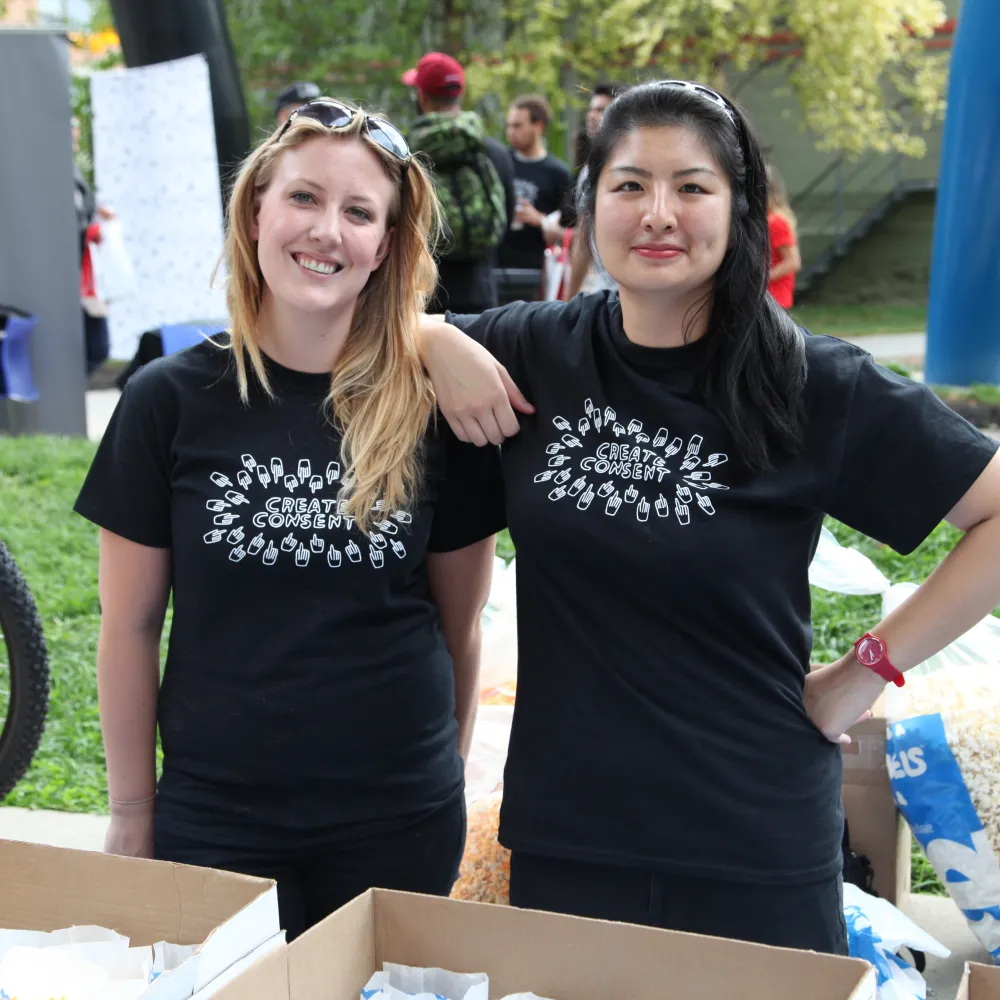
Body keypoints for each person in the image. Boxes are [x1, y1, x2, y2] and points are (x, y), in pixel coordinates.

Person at [416, 80, 1000, 954]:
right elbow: (321, 314)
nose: (659, 213)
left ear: (739, 211)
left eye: (692, 187)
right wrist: (426, 337)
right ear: (589, 206)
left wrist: (867, 669)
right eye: (629, 185)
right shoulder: (529, 352)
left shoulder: (813, 382)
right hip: (571, 836)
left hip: (754, 843)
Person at [74, 98, 506, 940]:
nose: (327, 231)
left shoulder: (433, 405)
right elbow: (127, 626)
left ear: (385, 245)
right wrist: (132, 809)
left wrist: (442, 781)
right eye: (304, 198)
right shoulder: (168, 400)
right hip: (217, 814)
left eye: (358, 212)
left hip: (398, 817)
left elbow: (461, 629)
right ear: (257, 211)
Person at [403, 52, 515, 313]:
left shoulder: (405, 154)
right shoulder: (493, 153)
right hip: (482, 295)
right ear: (459, 95)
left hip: (422, 295)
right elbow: (505, 219)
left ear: (421, 97)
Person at [499, 94, 573, 281]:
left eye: (517, 125)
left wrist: (540, 220)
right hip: (496, 267)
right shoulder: (500, 162)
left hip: (538, 271)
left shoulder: (558, 173)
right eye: (509, 125)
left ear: (538, 126)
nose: (511, 131)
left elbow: (571, 232)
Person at [564, 83, 627, 300]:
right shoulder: (591, 169)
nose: (593, 116)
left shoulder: (640, 166)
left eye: (601, 110)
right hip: (607, 296)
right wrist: (569, 300)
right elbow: (583, 236)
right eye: (592, 109)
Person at [73, 116, 114, 375]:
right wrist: (88, 231)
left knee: (97, 345)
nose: (76, 137)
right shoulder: (55, 168)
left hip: (85, 270)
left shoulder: (71, 169)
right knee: (95, 345)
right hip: (73, 272)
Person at [767, 164, 801, 309]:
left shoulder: (776, 222)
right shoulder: (761, 220)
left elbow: (793, 261)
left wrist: (761, 279)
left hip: (776, 299)